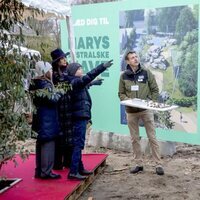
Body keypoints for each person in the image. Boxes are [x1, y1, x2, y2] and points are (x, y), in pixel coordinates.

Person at [118, 51, 164, 176]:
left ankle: (158, 164)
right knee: (134, 139)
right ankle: (138, 164)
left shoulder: (146, 72)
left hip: (146, 110)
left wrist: (152, 102)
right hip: (131, 112)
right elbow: (120, 93)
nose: (135, 59)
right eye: (132, 58)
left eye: (136, 56)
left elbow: (155, 89)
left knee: (152, 137)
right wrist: (128, 101)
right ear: (127, 61)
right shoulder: (123, 76)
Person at [66, 60, 113, 180]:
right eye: (79, 69)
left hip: (80, 116)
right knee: (78, 144)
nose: (82, 70)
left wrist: (93, 83)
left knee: (79, 144)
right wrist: (102, 67)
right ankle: (73, 172)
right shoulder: (75, 82)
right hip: (79, 117)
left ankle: (79, 168)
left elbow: (85, 83)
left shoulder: (74, 82)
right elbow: (86, 78)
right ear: (73, 72)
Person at [29, 61, 62, 179]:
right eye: (50, 70)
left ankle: (39, 170)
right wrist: (59, 93)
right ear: (45, 71)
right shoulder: (46, 85)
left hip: (39, 119)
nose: (52, 72)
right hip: (47, 120)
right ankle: (46, 172)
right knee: (48, 145)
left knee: (40, 145)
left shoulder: (34, 83)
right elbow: (53, 100)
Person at [51, 48, 73, 170]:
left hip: (68, 108)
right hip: (59, 109)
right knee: (60, 137)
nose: (65, 60)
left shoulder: (67, 71)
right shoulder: (55, 75)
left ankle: (68, 162)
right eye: (62, 59)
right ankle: (58, 163)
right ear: (57, 61)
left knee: (69, 136)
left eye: (65, 58)